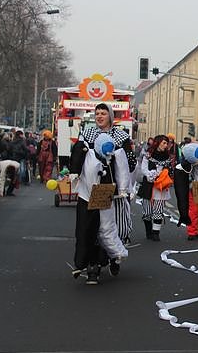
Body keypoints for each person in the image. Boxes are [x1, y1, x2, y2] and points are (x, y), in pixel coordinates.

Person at [69, 102, 131, 284]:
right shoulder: (87, 133)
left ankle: (109, 258)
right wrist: (74, 171)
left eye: (103, 113)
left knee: (107, 228)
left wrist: (123, 189)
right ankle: (88, 265)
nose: (99, 116)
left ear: (110, 116)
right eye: (97, 113)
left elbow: (127, 164)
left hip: (107, 190)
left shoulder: (120, 136)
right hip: (87, 190)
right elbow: (77, 154)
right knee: (86, 228)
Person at [137, 134, 174, 241]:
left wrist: (164, 174)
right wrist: (151, 174)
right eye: (164, 143)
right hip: (149, 185)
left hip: (161, 186)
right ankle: (148, 232)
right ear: (157, 143)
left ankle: (155, 233)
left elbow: (170, 170)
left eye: (167, 143)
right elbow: (143, 169)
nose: (166, 145)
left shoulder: (167, 157)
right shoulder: (148, 155)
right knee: (147, 212)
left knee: (158, 210)